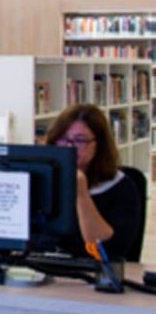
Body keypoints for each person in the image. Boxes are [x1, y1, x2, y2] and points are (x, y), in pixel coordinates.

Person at [44, 104, 141, 260]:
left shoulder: (121, 186)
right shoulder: (42, 177)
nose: (69, 147)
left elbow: (108, 252)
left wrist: (81, 194)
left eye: (80, 140)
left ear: (99, 145)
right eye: (62, 139)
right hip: (42, 272)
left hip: (92, 273)